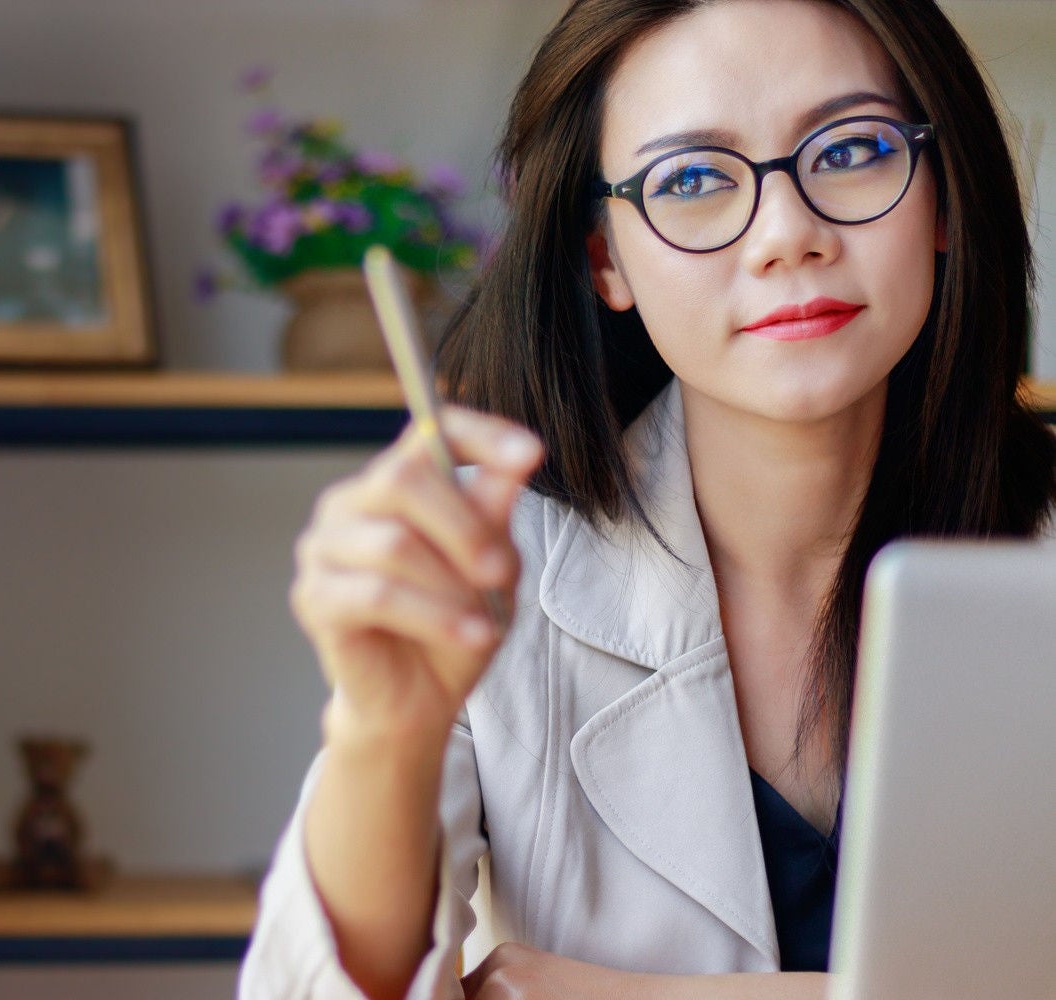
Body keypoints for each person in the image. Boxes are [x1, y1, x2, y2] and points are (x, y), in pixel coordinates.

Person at [238, 0, 1056, 997]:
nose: (787, 234)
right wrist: (381, 729)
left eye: (850, 150)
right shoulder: (490, 555)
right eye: (695, 180)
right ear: (606, 260)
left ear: (945, 197)